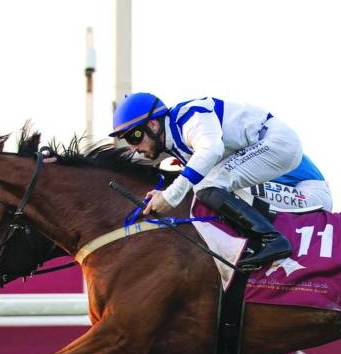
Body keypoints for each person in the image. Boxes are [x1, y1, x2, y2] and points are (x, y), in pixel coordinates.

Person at [110, 92, 304, 271]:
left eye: (133, 137)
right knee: (208, 183)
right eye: (127, 140)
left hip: (276, 143)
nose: (133, 147)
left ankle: (272, 239)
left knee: (206, 184)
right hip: (261, 147)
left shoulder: (191, 118)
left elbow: (210, 150)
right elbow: (122, 163)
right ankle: (253, 240)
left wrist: (170, 196)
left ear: (153, 125)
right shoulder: (163, 140)